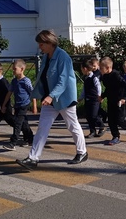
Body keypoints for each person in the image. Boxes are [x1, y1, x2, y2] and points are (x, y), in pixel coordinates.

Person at [16, 30, 88, 170]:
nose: (39, 47)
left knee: (72, 126)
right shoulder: (46, 56)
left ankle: (82, 152)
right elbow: (42, 77)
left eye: (41, 44)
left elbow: (63, 81)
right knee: (42, 128)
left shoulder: (63, 57)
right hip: (49, 99)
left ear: (49, 43)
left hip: (64, 99)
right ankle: (33, 159)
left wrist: (51, 96)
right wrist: (38, 96)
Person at [99, 57, 126, 146]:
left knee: (120, 120)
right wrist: (103, 96)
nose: (100, 69)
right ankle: (115, 137)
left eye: (101, 68)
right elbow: (109, 89)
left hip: (120, 101)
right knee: (111, 120)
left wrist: (124, 98)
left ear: (108, 67)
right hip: (111, 101)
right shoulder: (105, 77)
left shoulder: (116, 75)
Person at [1, 59, 34, 150]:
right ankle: (30, 139)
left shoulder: (26, 81)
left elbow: (32, 93)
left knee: (17, 124)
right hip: (17, 105)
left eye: (15, 69)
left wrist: (34, 106)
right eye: (13, 69)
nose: (13, 71)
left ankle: (13, 143)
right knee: (23, 123)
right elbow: (9, 93)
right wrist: (4, 105)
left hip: (24, 105)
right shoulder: (14, 81)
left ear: (22, 69)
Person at [80, 58, 105, 138]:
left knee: (94, 115)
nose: (81, 70)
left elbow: (98, 87)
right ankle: (92, 131)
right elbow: (84, 89)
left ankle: (102, 126)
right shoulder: (86, 78)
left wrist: (99, 96)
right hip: (87, 99)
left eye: (81, 69)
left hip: (94, 99)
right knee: (88, 116)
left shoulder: (94, 77)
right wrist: (81, 97)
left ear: (85, 69)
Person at [90, 56, 107, 123]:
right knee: (96, 107)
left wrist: (101, 94)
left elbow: (102, 82)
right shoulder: (91, 73)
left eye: (94, 66)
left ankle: (102, 116)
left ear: (98, 65)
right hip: (92, 91)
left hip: (98, 91)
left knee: (98, 106)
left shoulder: (99, 73)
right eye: (92, 66)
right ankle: (103, 115)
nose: (93, 68)